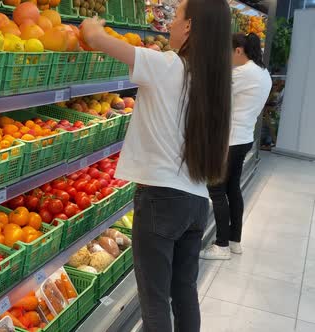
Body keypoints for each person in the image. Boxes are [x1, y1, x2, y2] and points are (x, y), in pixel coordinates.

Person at [81, 0, 232, 330]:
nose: (171, 24)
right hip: (195, 201)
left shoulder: (167, 65)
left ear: (190, 27)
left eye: (177, 16)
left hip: (160, 202)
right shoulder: (214, 83)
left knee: (154, 302)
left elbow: (97, 39)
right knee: (184, 293)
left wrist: (91, 26)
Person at [200, 33, 272, 260]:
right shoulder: (263, 72)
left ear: (238, 50)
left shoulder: (243, 73)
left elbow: (213, 93)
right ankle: (234, 241)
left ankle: (221, 245)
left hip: (228, 141)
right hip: (243, 137)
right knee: (232, 189)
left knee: (217, 190)